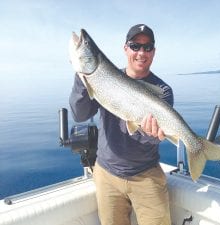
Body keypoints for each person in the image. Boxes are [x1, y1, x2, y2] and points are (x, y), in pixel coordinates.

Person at [69, 24, 174, 225]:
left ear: (154, 51)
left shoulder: (162, 90)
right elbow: (79, 114)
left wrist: (150, 133)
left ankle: (198, 149)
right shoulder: (103, 78)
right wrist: (81, 76)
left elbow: (150, 139)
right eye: (135, 46)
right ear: (125, 48)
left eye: (147, 47)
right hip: (106, 174)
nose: (141, 52)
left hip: (146, 176)